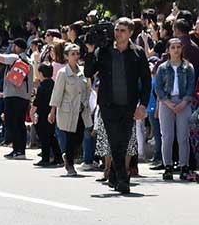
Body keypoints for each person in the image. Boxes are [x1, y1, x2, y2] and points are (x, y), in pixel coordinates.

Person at [84, 17, 152, 194]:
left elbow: (146, 81)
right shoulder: (104, 51)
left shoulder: (137, 53)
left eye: (122, 30)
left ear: (130, 33)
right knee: (115, 140)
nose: (118, 33)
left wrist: (143, 105)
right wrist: (91, 51)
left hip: (129, 105)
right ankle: (123, 179)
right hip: (108, 105)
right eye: (116, 29)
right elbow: (88, 72)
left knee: (122, 141)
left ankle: (114, 173)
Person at [154, 38, 195, 181]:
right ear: (168, 50)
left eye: (178, 47)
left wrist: (183, 103)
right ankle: (168, 166)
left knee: (183, 136)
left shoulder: (188, 67)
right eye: (173, 47)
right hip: (167, 102)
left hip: (184, 102)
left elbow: (191, 87)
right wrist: (168, 103)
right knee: (167, 136)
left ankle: (184, 166)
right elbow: (158, 87)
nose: (176, 50)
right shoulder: (163, 67)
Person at [49, 44, 93, 176]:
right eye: (73, 54)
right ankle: (70, 164)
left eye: (77, 53)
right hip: (68, 110)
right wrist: (52, 111)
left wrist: (85, 103)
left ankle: (68, 156)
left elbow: (88, 89)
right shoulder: (63, 73)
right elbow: (57, 93)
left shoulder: (83, 72)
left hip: (81, 110)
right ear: (66, 57)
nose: (76, 56)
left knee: (80, 136)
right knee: (70, 137)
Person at [0, 37, 32, 159]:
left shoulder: (15, 58)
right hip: (24, 96)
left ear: (17, 47)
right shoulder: (29, 60)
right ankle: (19, 150)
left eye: (13, 46)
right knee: (19, 123)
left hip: (13, 96)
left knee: (12, 123)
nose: (11, 48)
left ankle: (18, 150)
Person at [32, 64, 62, 168]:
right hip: (52, 113)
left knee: (44, 137)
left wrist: (32, 112)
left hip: (43, 114)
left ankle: (45, 158)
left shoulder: (42, 86)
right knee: (51, 136)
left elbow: (37, 101)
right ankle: (58, 157)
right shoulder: (54, 84)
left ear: (41, 73)